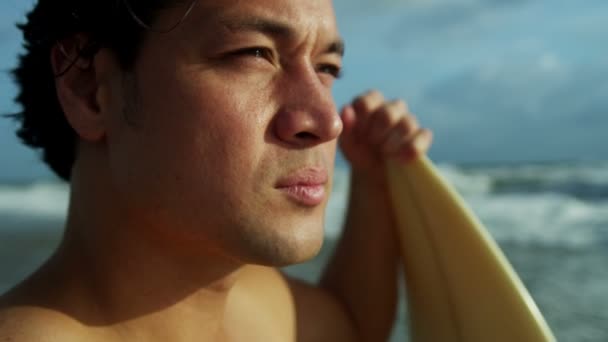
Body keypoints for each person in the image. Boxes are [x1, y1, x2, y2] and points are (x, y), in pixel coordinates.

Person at [0, 0, 432, 340]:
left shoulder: (265, 307)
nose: (327, 120)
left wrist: (373, 179)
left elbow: (349, 328)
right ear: (90, 90)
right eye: (254, 54)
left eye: (326, 68)